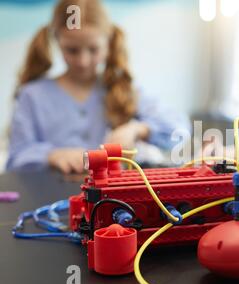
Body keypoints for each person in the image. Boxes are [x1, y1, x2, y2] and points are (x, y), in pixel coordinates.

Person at [7, 0, 187, 174]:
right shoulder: (32, 96)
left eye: (93, 49)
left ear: (108, 43)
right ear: (57, 41)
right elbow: (15, 159)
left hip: (113, 201)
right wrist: (51, 155)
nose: (83, 61)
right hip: (49, 200)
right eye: (72, 50)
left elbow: (179, 130)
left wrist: (137, 129)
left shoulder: (122, 90)